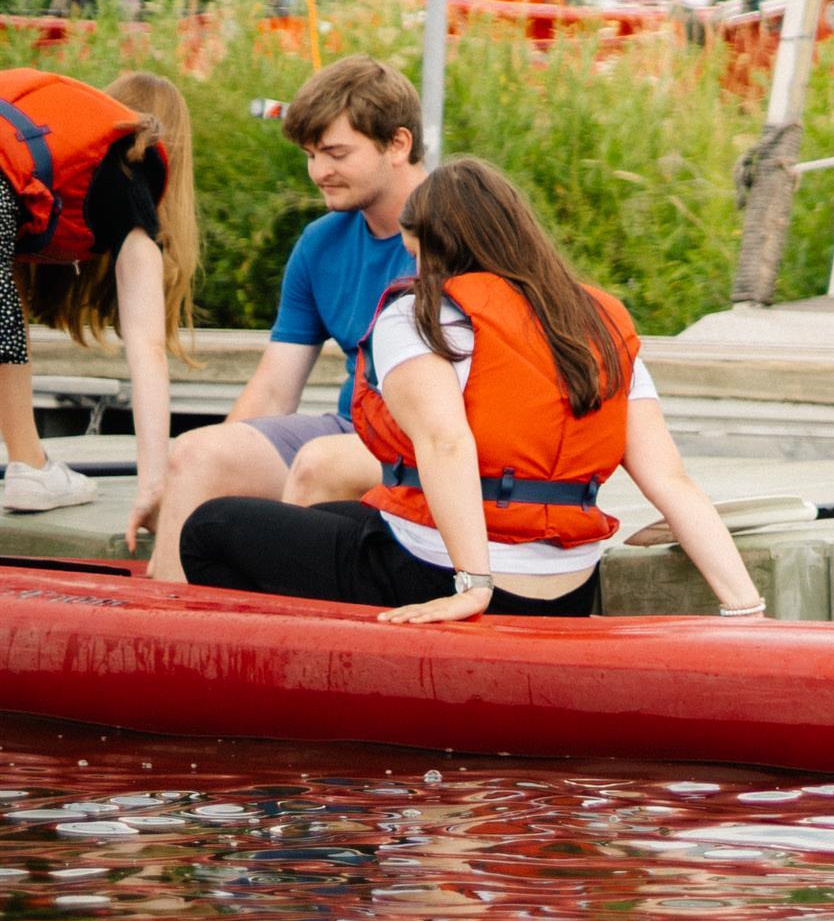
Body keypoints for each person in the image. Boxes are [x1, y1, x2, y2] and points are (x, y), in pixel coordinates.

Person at [177, 157, 767, 622]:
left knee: (212, 528)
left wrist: (473, 586)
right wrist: (746, 607)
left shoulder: (420, 316)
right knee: (338, 512)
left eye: (414, 253)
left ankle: (316, 683)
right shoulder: (600, 323)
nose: (415, 270)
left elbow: (446, 444)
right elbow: (670, 479)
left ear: (434, 245)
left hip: (450, 575)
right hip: (567, 589)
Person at [137, 55, 424, 582]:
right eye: (312, 155)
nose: (318, 172)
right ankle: (171, 635)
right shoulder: (320, 243)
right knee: (196, 455)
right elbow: (273, 389)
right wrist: (182, 487)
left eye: (336, 153)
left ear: (398, 145)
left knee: (319, 463)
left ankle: (286, 649)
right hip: (351, 430)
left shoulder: (458, 226)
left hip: (431, 440)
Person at [0, 66, 194, 520]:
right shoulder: (127, 176)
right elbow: (147, 350)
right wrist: (153, 487)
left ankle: (30, 464)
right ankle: (30, 468)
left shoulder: (43, 151)